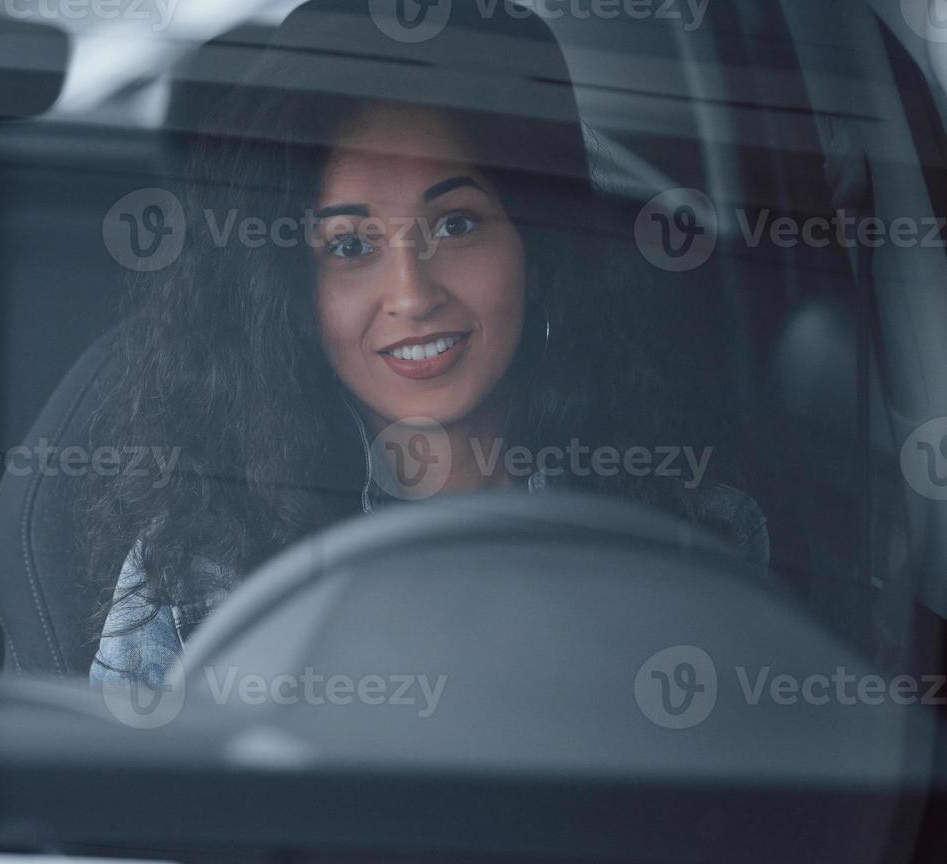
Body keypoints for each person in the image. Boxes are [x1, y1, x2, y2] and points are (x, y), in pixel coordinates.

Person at [82, 0, 768, 690]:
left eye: (456, 225)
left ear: (538, 252)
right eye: (350, 246)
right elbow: (130, 794)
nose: (412, 294)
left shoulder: (689, 531)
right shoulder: (197, 567)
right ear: (288, 294)